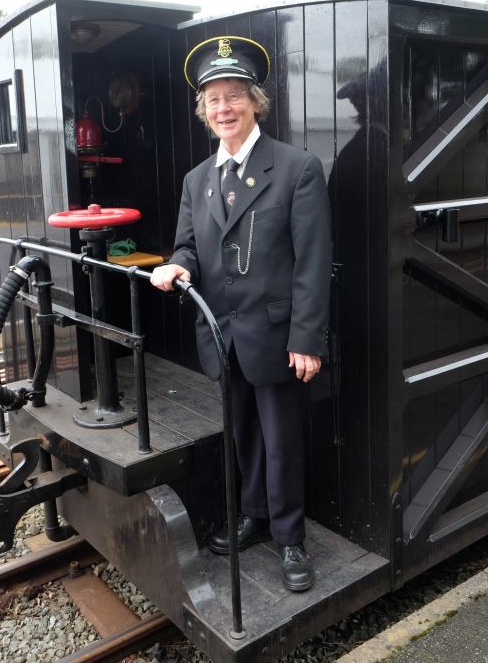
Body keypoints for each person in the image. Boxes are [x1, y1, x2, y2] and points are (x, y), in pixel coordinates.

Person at [151, 36, 332, 591]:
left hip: (277, 335)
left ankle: (291, 539)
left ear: (255, 102)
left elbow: (313, 260)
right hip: (221, 333)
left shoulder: (298, 168)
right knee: (244, 435)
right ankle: (255, 515)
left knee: (281, 440)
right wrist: (175, 266)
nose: (223, 108)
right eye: (213, 100)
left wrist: (307, 337)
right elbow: (188, 245)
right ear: (204, 112)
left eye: (233, 96)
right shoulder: (196, 179)